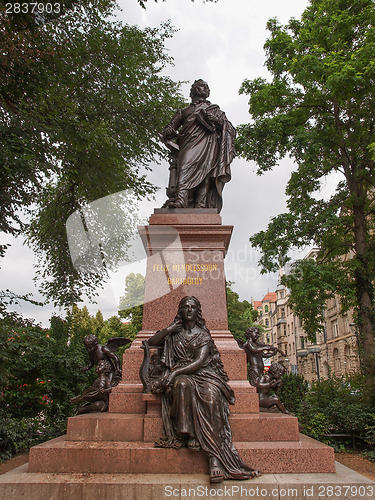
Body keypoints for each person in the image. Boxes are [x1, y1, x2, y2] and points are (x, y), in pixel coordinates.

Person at [148, 296, 259, 483]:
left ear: (197, 311)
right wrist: (168, 330)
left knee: (211, 397)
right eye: (185, 307)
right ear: (180, 311)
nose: (189, 310)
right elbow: (151, 342)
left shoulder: (203, 334)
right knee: (182, 385)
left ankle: (214, 458)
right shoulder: (174, 333)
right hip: (182, 376)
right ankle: (190, 433)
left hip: (203, 373)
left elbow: (200, 361)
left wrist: (174, 373)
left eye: (192, 307)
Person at [162, 79, 235, 212]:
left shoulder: (215, 110)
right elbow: (168, 129)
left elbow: (229, 129)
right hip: (189, 144)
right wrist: (169, 131)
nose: (206, 89)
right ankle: (181, 200)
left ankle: (201, 204)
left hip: (209, 144)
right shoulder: (184, 111)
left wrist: (217, 121)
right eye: (202, 86)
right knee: (184, 168)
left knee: (206, 172)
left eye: (207, 87)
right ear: (194, 90)